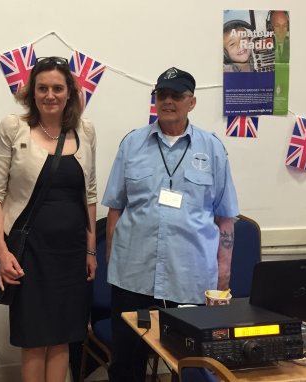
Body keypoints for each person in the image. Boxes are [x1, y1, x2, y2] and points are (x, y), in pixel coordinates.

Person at [102, 67, 239, 382]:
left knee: (192, 362)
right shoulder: (132, 144)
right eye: (161, 94)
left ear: (191, 102)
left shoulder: (213, 148)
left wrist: (223, 273)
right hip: (132, 275)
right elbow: (115, 207)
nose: (167, 101)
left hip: (190, 277)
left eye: (176, 95)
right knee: (126, 362)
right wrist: (114, 258)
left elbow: (225, 217)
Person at [0, 56, 97, 382]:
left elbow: (89, 195)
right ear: (32, 92)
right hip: (28, 250)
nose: (50, 95)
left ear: (70, 92)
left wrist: (91, 251)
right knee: (33, 337)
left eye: (57, 88)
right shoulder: (13, 127)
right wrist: (2, 251)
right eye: (42, 88)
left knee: (63, 335)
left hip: (72, 252)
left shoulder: (85, 131)